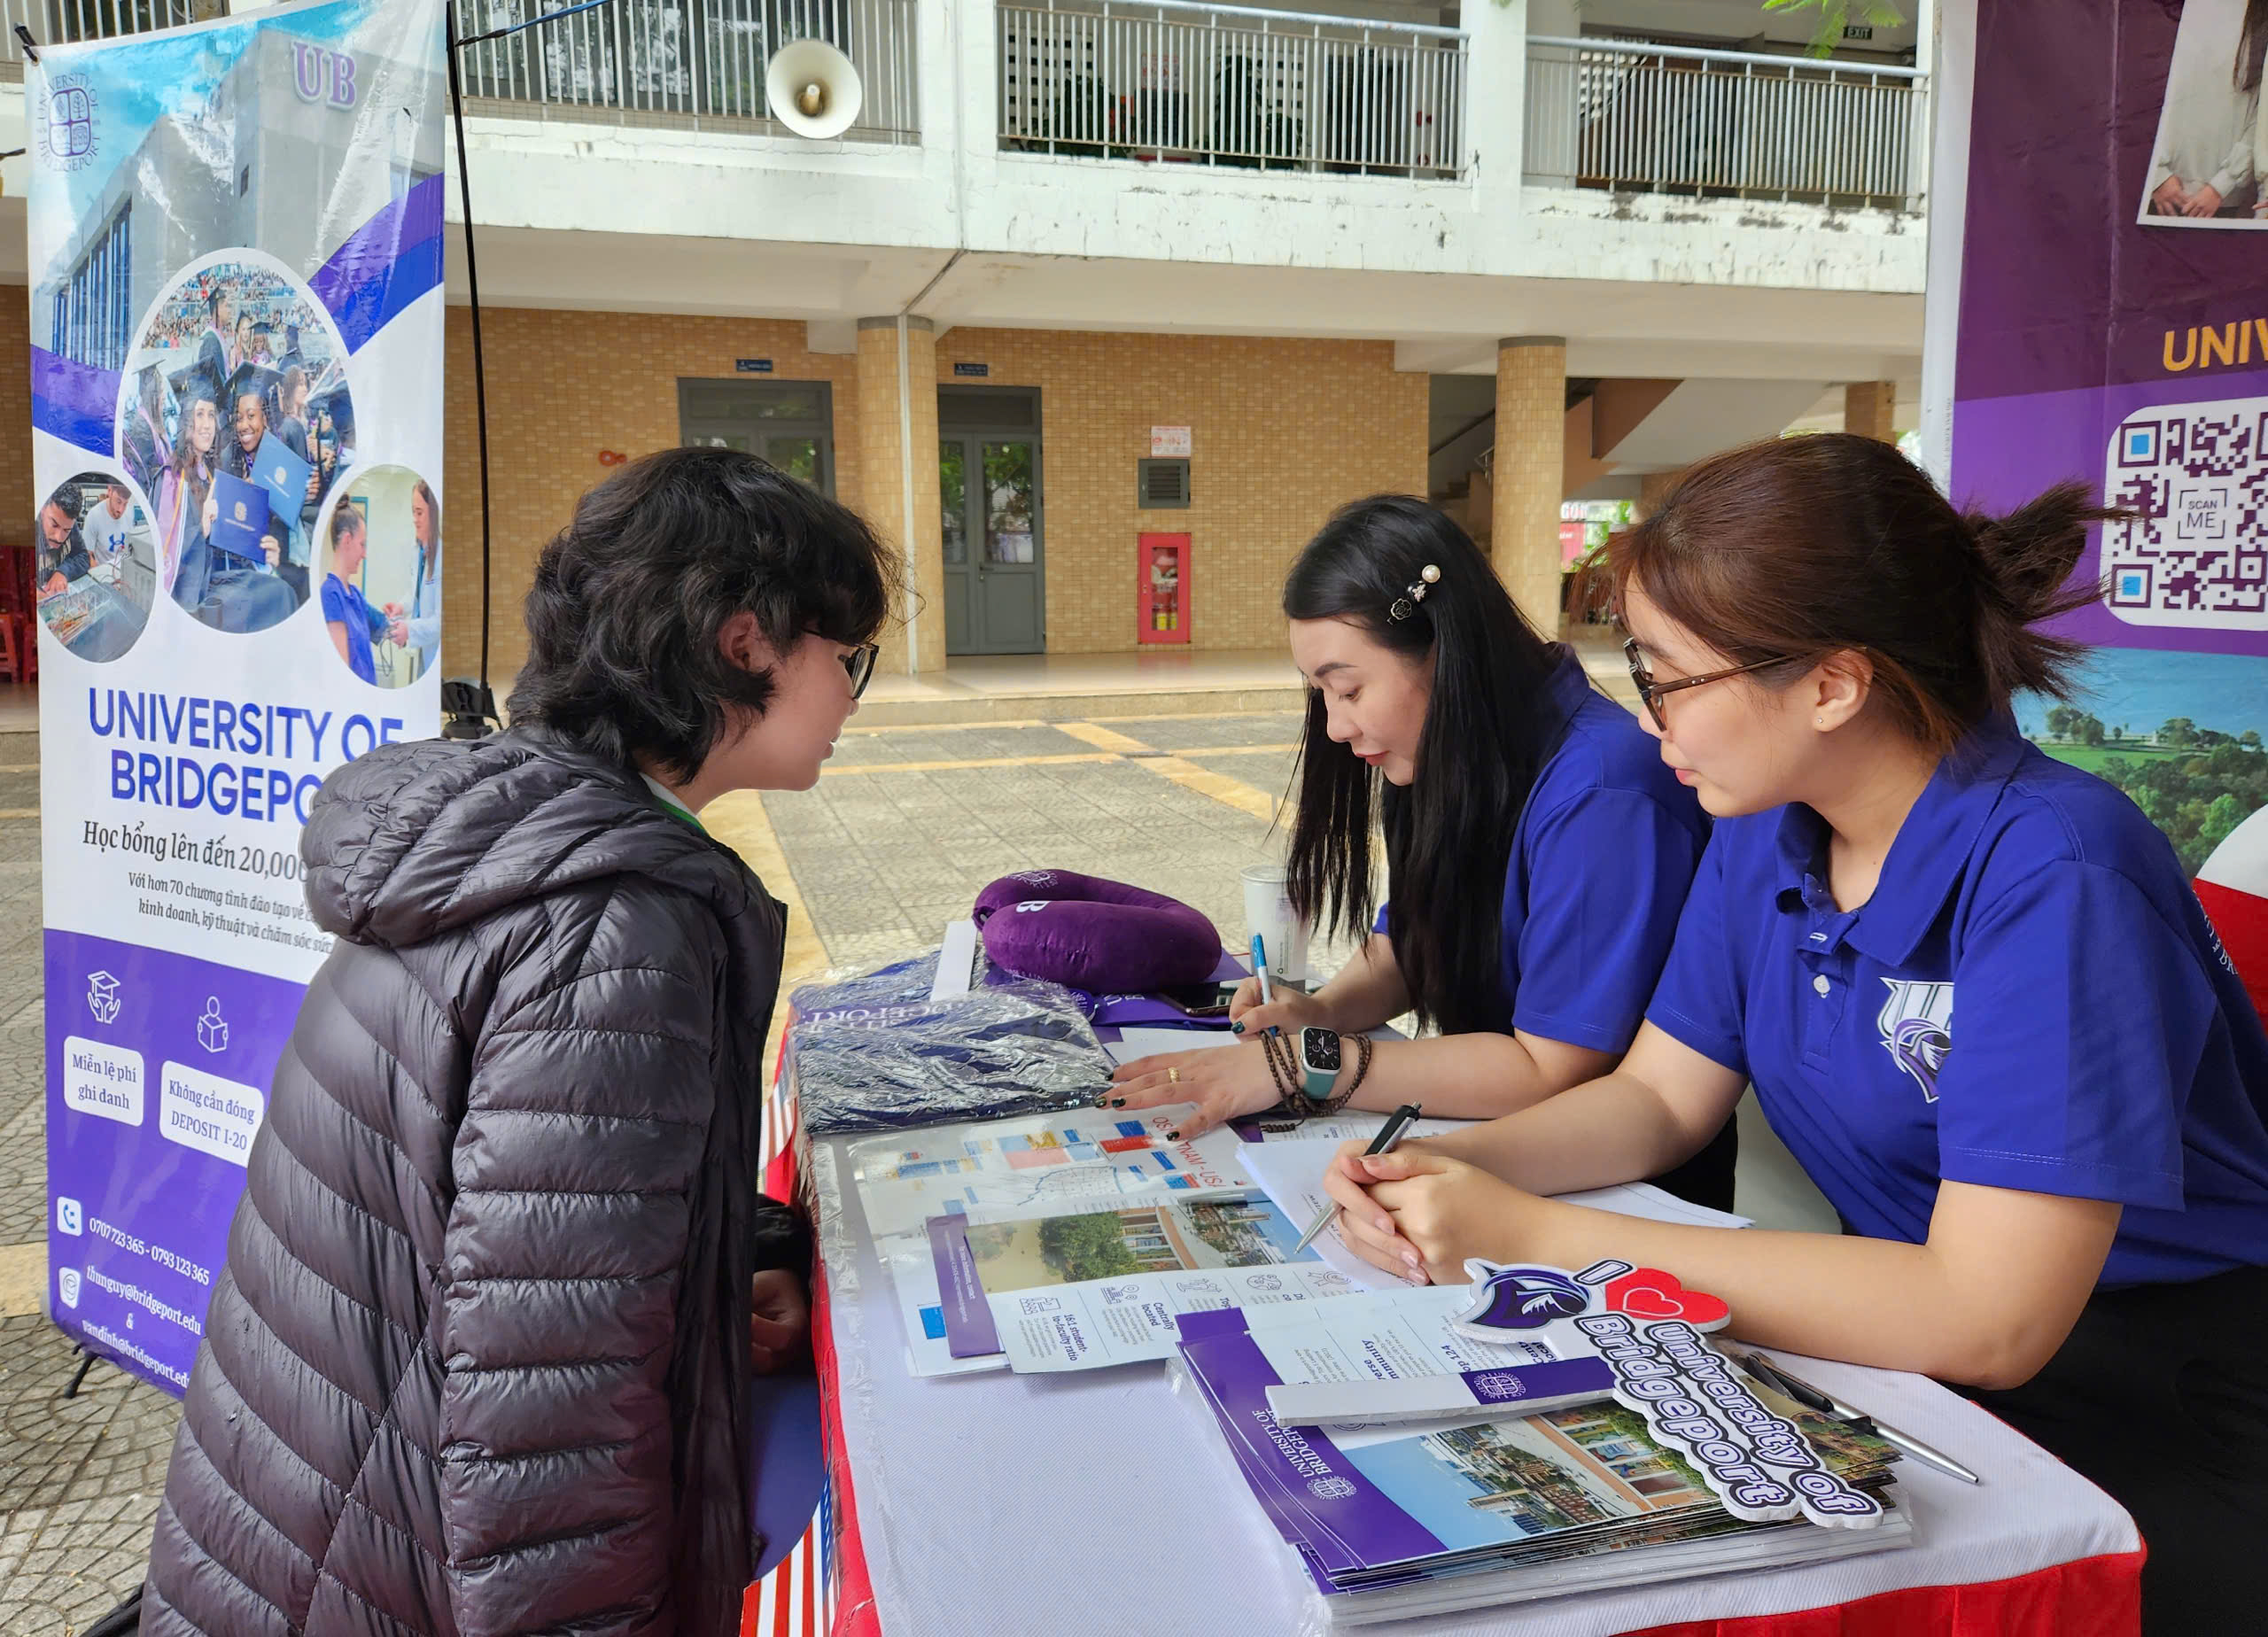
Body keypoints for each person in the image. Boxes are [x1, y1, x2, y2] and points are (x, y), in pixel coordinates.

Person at [1320, 434, 2268, 1633]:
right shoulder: (1766, 829)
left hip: (2157, 1402)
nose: (1646, 713)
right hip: (1907, 1356)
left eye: (1668, 675)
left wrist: (1541, 1236)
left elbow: (1995, 1315)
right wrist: (1458, 1166)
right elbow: (1661, 1099)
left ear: (1832, 683)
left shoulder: (2053, 871)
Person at [143, 446, 898, 1636]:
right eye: (849, 658)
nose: (856, 695)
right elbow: (546, 1435)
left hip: (305, 1538)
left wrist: (733, 1244)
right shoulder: (611, 930)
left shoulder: (513, 837)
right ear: (745, 644)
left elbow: (514, 1215)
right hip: (376, 1582)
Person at [1113, 495, 1730, 1203]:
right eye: (1323, 697)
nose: (1338, 728)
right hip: (1482, 1143)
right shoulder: (1441, 746)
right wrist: (1320, 1013)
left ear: (1444, 649)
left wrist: (1315, 1064)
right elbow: (1410, 940)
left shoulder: (1605, 791)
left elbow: (1551, 1069)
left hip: (1612, 1189)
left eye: (1348, 689)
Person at [2144, 0, 2260, 219]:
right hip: (2150, 188)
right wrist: (2156, 174)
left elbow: (2262, 119)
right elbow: (2133, 88)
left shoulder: (2260, 17)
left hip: (2218, 201)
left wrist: (2221, 186)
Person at [222, 369, 317, 606]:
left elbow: (291, 509)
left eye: (251, 415)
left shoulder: (280, 457)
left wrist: (304, 495)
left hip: (281, 565)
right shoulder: (226, 461)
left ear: (265, 417)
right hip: (242, 579)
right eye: (239, 417)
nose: (244, 424)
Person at [320, 505, 395, 684]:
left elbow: (384, 627)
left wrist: (401, 623)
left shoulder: (356, 596)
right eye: (362, 545)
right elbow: (341, 671)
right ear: (347, 540)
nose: (364, 554)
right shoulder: (330, 594)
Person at [400, 477, 442, 678]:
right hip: (422, 651)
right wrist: (400, 607)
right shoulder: (418, 551)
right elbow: (415, 595)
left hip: (436, 653)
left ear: (433, 513)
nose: (414, 519)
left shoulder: (442, 556)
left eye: (419, 513)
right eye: (413, 512)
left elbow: (440, 622)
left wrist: (408, 629)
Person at [35, 488, 91, 600]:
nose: (59, 538)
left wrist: (63, 572)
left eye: (67, 530)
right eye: (54, 525)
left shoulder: (71, 524)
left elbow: (83, 556)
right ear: (42, 510)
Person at [82, 481, 134, 575]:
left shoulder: (129, 513)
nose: (121, 510)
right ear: (109, 491)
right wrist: (99, 578)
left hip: (124, 573)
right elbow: (88, 555)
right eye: (118, 502)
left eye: (125, 504)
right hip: (104, 575)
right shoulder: (94, 516)